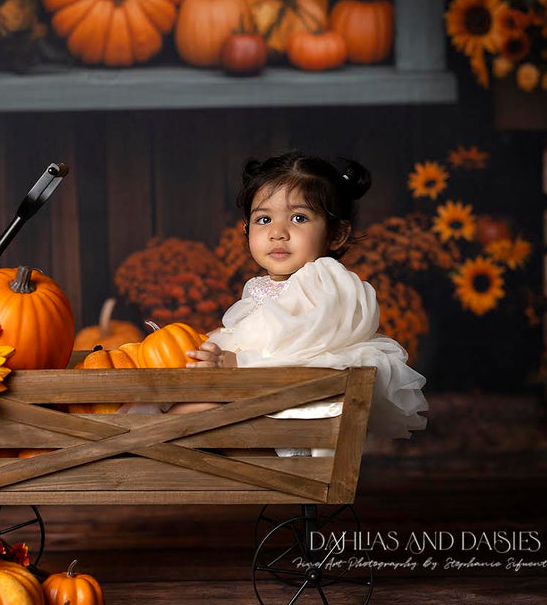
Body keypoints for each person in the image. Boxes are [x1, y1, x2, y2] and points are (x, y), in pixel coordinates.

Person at [170, 151, 428, 450]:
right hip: (257, 394)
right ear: (246, 230)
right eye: (263, 219)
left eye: (299, 218)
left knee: (182, 413)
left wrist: (237, 361)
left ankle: (136, 449)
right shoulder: (259, 287)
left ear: (336, 234)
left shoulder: (323, 280)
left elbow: (309, 344)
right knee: (172, 403)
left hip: (292, 398)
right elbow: (264, 333)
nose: (278, 233)